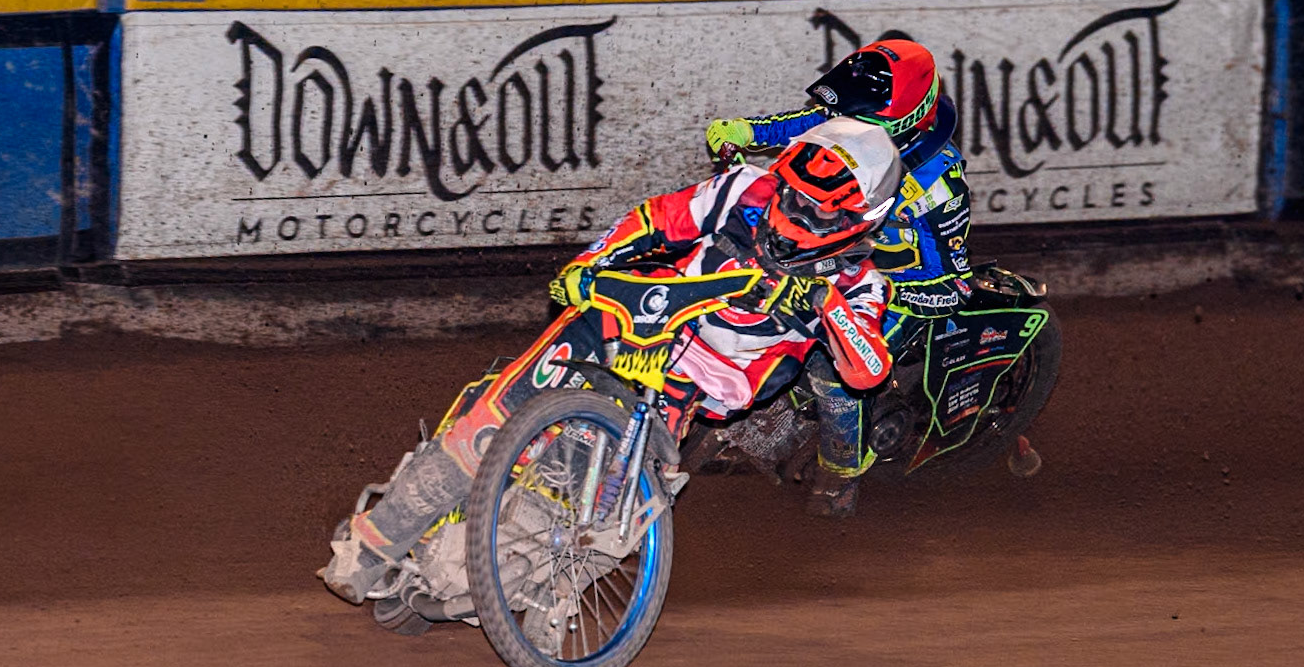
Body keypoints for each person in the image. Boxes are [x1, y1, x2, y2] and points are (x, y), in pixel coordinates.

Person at [322, 117, 902, 604]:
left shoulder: (861, 285)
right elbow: (656, 219)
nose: (794, 215)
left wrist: (826, 302)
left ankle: (533, 588)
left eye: (818, 213)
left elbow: (867, 371)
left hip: (697, 382)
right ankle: (372, 544)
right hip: (635, 318)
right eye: (793, 196)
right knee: (493, 418)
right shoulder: (743, 188)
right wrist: (591, 262)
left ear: (862, 221)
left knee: (611, 510)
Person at [705, 38, 973, 516]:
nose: (840, 126)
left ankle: (841, 473)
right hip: (823, 250)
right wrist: (744, 131)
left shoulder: (937, 186)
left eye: (855, 120)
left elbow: (950, 280)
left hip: (900, 289)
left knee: (831, 365)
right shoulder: (852, 125)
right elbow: (804, 124)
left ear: (899, 122)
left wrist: (878, 294)